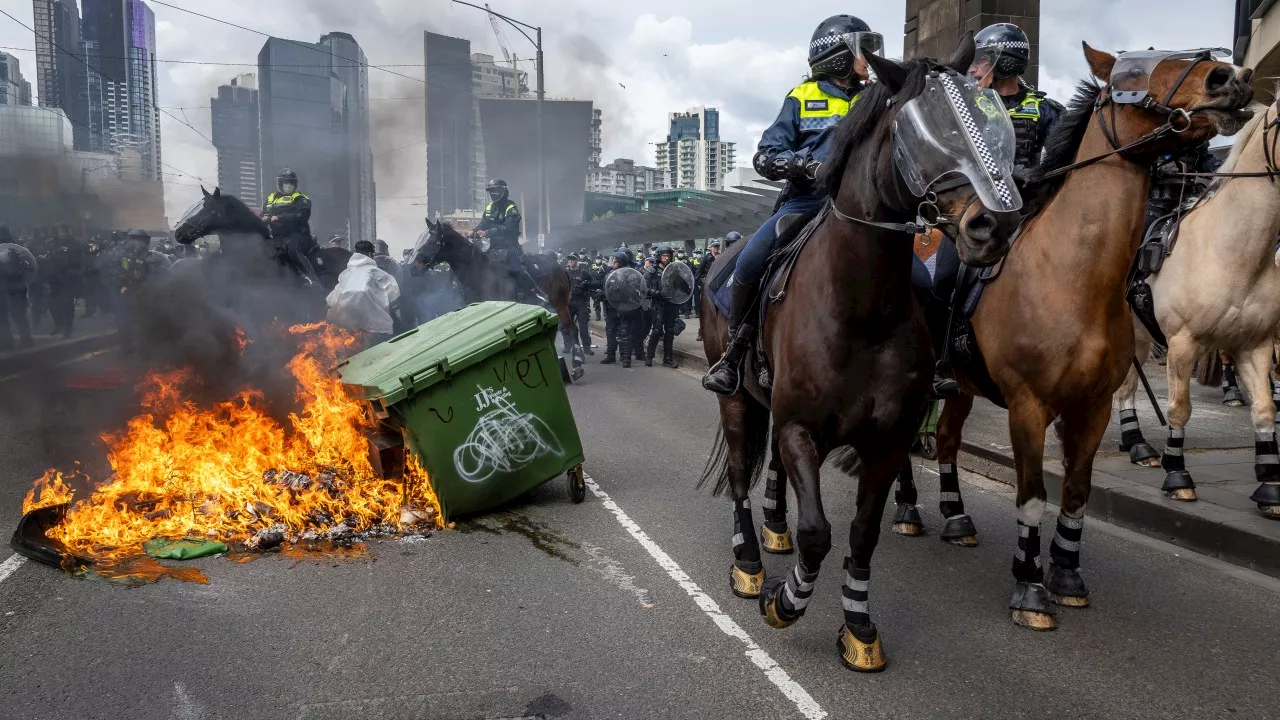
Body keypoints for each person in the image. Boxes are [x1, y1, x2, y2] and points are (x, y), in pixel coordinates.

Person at [704, 15, 882, 395]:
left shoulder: (876, 98)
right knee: (750, 261)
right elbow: (766, 156)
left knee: (919, 274)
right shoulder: (801, 98)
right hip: (806, 202)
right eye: (862, 50)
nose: (870, 59)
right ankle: (735, 355)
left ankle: (934, 358)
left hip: (864, 208)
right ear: (838, 55)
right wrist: (804, 164)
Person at [925, 21, 1064, 397]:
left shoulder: (1045, 108)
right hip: (980, 207)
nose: (975, 66)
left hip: (1030, 208)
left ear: (1005, 62)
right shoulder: (968, 103)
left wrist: (1034, 175)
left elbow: (1064, 157)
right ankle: (941, 357)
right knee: (942, 277)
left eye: (984, 59)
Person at [475, 179, 541, 301]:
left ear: (503, 191)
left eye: (495, 190)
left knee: (517, 269)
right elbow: (482, 225)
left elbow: (509, 228)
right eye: (491, 191)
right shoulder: (489, 207)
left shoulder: (511, 207)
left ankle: (534, 293)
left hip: (509, 247)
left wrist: (489, 232)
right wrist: (474, 231)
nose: (493, 194)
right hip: (492, 248)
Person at [327, 243, 401, 349]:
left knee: (351, 347)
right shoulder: (375, 271)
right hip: (371, 321)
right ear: (371, 254)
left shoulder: (345, 274)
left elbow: (332, 298)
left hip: (345, 320)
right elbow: (393, 292)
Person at [264, 168, 317, 285]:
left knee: (294, 251)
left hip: (298, 234)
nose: (287, 186)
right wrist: (264, 217)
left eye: (290, 183)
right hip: (278, 236)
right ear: (280, 184)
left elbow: (302, 215)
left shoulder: (300, 198)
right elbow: (265, 212)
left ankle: (311, 278)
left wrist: (280, 217)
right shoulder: (271, 198)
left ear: (295, 184)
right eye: (285, 183)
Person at [601, 250, 643, 368]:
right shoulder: (609, 275)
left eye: (615, 261)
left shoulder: (630, 275)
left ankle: (626, 358)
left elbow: (633, 291)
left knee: (624, 333)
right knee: (610, 331)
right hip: (610, 308)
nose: (612, 263)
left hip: (623, 307)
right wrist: (601, 294)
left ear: (621, 262)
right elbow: (605, 288)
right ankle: (610, 355)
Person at [645, 245, 681, 369]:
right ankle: (649, 356)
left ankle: (668, 359)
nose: (666, 258)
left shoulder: (673, 270)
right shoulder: (652, 271)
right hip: (658, 305)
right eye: (664, 255)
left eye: (668, 255)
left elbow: (680, 285)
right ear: (659, 256)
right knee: (656, 330)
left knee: (670, 332)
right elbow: (644, 288)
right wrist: (657, 293)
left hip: (671, 304)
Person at [0, 227, 34, 349]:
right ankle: (25, 340)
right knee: (17, 316)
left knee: (5, 317)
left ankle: (7, 342)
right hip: (14, 287)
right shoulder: (16, 248)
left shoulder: (10, 250)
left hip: (8, 288)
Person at [565, 253, 599, 355]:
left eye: (572, 259)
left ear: (577, 261)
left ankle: (587, 348)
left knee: (583, 326)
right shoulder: (565, 272)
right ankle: (568, 346)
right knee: (567, 326)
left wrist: (587, 286)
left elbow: (593, 283)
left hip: (581, 302)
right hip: (569, 302)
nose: (570, 261)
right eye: (569, 259)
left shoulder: (584, 272)